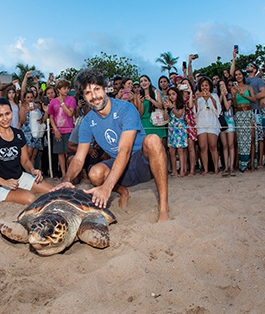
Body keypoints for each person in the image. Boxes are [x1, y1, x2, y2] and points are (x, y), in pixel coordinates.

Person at [54, 69, 170, 223]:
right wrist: (66, 180)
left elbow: (125, 150)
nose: (94, 96)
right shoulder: (87, 122)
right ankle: (123, 192)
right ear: (83, 96)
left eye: (96, 89)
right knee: (94, 173)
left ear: (105, 88)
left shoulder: (125, 109)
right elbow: (79, 159)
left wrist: (107, 187)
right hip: (120, 168)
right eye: (88, 93)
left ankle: (163, 207)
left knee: (153, 140)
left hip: (142, 161)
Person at [0, 97, 54, 205]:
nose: (5, 118)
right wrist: (4, 182)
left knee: (54, 191)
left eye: (7, 114)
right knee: (30, 198)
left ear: (12, 113)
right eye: (0, 115)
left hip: (19, 177)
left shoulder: (18, 134)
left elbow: (24, 161)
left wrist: (32, 170)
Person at [48, 79, 76, 178]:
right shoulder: (53, 102)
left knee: (68, 153)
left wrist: (62, 103)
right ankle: (64, 174)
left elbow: (70, 113)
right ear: (59, 89)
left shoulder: (71, 100)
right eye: (64, 88)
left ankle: (70, 174)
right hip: (57, 130)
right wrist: (55, 130)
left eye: (67, 88)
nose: (66, 90)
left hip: (69, 129)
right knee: (60, 153)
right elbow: (51, 117)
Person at [194, 76, 221, 175]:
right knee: (202, 147)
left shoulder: (214, 95)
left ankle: (216, 168)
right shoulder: (197, 96)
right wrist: (196, 99)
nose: (204, 87)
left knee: (213, 146)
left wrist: (210, 97)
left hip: (212, 123)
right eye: (202, 85)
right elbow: (194, 112)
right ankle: (205, 169)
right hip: (201, 123)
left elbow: (218, 111)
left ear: (210, 86)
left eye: (206, 85)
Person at [231, 68, 256, 172]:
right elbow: (235, 105)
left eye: (240, 74)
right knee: (241, 140)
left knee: (252, 138)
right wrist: (234, 95)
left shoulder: (249, 87)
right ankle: (242, 165)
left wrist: (243, 95)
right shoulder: (233, 89)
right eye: (236, 75)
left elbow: (254, 100)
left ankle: (252, 163)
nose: (238, 76)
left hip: (249, 112)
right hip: (239, 113)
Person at [163, 86, 188, 177]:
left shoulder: (181, 104)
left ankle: (182, 170)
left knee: (180, 150)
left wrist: (172, 107)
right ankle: (174, 170)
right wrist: (166, 108)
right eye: (170, 95)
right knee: (171, 151)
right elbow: (165, 118)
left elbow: (178, 115)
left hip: (180, 128)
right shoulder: (169, 106)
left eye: (173, 94)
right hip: (172, 129)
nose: (172, 96)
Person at [218, 79, 236, 176]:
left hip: (229, 121)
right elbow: (218, 107)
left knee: (231, 145)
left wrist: (224, 95)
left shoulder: (229, 95)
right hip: (221, 121)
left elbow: (227, 107)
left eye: (223, 85)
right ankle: (226, 166)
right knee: (224, 145)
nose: (222, 87)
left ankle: (231, 166)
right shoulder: (218, 96)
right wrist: (221, 95)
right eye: (220, 86)